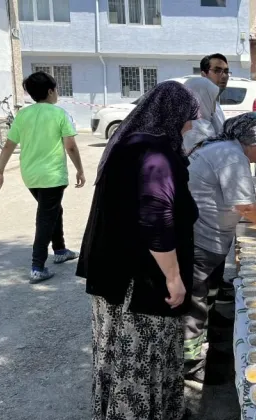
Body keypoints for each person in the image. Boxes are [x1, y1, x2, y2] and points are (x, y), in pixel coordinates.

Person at [76, 81, 200, 420]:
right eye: (189, 118)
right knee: (139, 357)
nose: (190, 126)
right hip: (138, 283)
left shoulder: (127, 145)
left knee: (115, 355)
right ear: (173, 115)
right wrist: (173, 277)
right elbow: (156, 220)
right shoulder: (156, 156)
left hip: (113, 277)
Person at [183, 112, 256, 384]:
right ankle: (191, 365)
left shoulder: (229, 151)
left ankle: (203, 350)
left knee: (206, 298)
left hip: (208, 238)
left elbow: (253, 195)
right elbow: (246, 207)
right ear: (250, 140)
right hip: (200, 239)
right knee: (196, 306)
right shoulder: (231, 155)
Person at [0, 71, 85, 283]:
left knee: (53, 210)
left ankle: (59, 250)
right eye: (56, 89)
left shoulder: (23, 115)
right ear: (51, 91)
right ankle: (37, 266)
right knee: (45, 217)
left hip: (30, 175)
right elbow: (71, 146)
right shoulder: (60, 114)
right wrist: (80, 169)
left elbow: (8, 145)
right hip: (52, 175)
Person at [182, 76, 222, 153]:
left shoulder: (206, 123)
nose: (215, 104)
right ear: (202, 98)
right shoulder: (194, 131)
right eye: (212, 99)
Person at [199, 53, 230, 131]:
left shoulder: (216, 104)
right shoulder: (197, 106)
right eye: (217, 71)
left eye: (226, 71)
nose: (224, 76)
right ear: (204, 74)